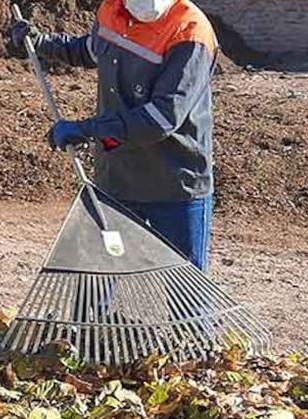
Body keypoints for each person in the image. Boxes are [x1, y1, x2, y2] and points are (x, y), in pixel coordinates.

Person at [11, 0, 219, 273]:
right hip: (116, 182)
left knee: (185, 287)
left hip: (173, 184)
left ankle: (192, 318)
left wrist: (88, 129)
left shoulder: (190, 32)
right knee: (98, 278)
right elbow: (91, 50)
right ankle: (98, 317)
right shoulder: (112, 11)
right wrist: (41, 42)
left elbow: (161, 118)